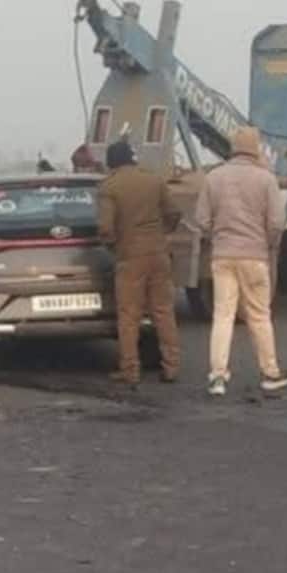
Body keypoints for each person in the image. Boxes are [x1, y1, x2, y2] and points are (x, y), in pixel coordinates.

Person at [193, 126, 287, 396]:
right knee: (259, 315)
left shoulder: (214, 178)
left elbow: (201, 220)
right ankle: (270, 372)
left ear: (233, 148)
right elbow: (276, 223)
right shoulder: (265, 179)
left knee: (223, 316)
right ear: (256, 148)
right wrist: (269, 244)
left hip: (223, 256)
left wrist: (217, 236)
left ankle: (217, 377)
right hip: (255, 255)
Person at [95, 137, 181, 386]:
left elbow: (105, 227)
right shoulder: (154, 180)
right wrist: (161, 235)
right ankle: (171, 367)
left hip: (129, 257)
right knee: (163, 312)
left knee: (129, 315)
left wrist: (114, 246)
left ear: (112, 163)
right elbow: (174, 213)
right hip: (159, 253)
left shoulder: (109, 187)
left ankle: (130, 370)